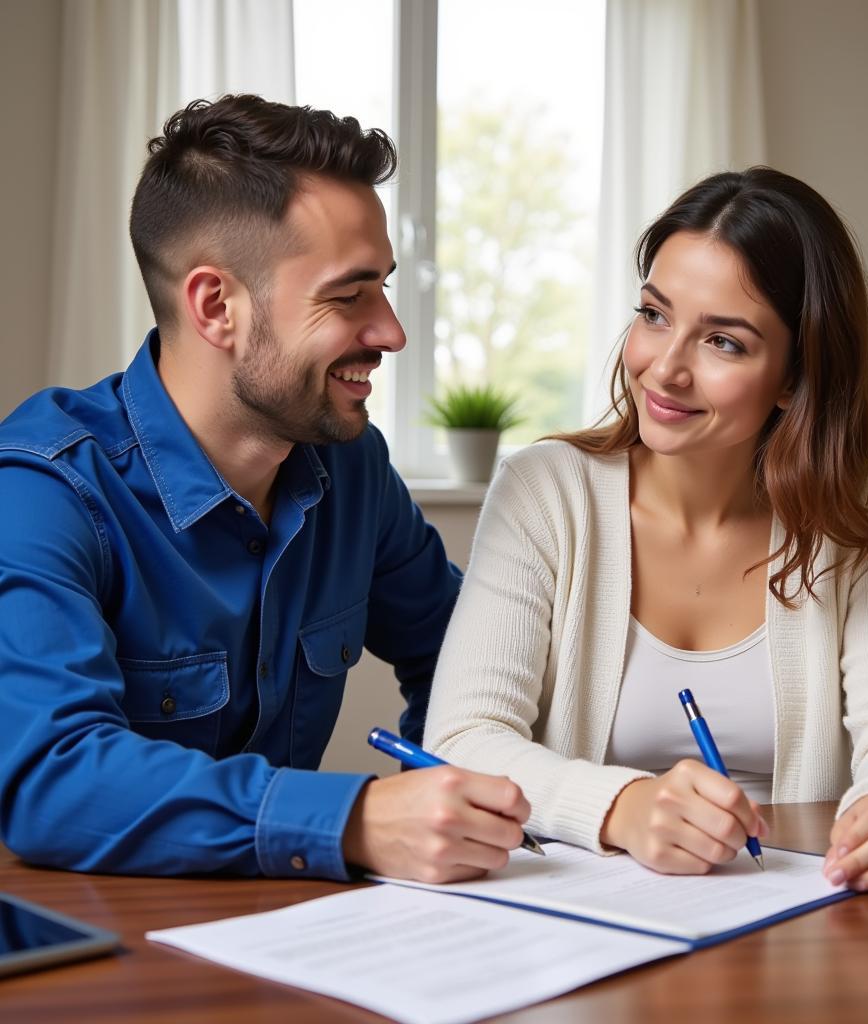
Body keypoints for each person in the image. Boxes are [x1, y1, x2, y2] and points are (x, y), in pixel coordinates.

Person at [0, 94, 529, 884]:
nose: (390, 331)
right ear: (218, 306)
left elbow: (466, 661)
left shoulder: (351, 469)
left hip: (298, 936)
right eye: (349, 295)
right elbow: (53, 779)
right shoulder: (43, 490)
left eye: (383, 288)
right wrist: (352, 820)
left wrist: (445, 799)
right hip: (97, 954)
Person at [424, 167, 868, 892]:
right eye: (654, 314)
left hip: (799, 912)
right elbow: (464, 739)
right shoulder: (545, 490)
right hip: (578, 915)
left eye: (723, 342)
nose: (665, 369)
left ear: (793, 378)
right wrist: (623, 806)